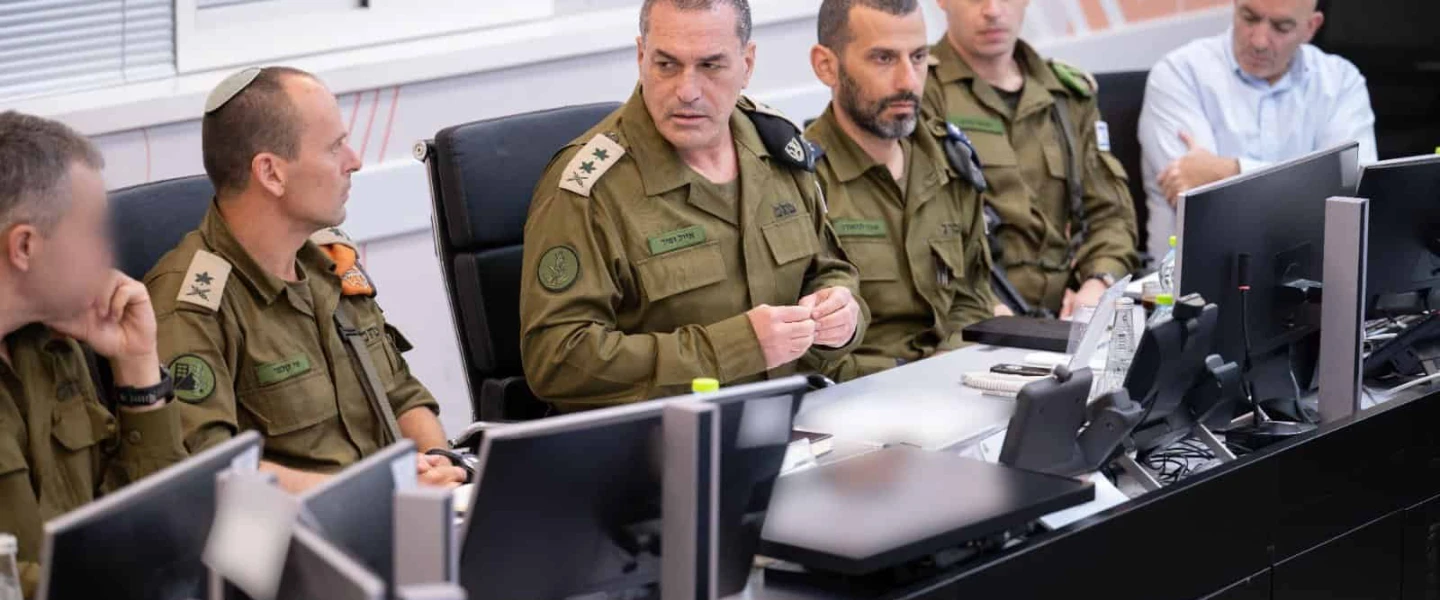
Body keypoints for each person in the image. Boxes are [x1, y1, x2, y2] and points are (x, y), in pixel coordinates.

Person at [520, 0, 868, 410]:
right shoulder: (589, 190)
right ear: (640, 56)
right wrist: (736, 347)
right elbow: (556, 359)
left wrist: (841, 314)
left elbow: (829, 270)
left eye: (710, 66)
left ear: (747, 63)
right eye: (666, 65)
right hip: (664, 447)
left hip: (802, 422)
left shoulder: (777, 147)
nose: (686, 91)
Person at [145, 67, 465, 493]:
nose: (354, 162)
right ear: (271, 173)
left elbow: (402, 394)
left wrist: (438, 464)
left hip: (394, 517)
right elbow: (212, 473)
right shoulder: (190, 305)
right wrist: (374, 495)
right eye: (335, 148)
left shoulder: (328, 260)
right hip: (296, 541)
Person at [0, 111, 189, 598]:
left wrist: (138, 366)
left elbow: (155, 519)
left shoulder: (58, 341)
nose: (109, 254)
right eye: (92, 233)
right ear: (24, 246)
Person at [803, 0, 997, 381]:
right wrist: (912, 375)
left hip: (956, 383)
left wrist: (950, 360)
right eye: (883, 59)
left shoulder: (949, 159)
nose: (908, 81)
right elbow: (804, 352)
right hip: (857, 403)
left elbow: (972, 298)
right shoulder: (801, 183)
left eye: (919, 57)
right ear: (827, 65)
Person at [924, 0, 1139, 319]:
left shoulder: (1066, 96)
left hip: (1069, 313)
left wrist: (1098, 282)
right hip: (971, 319)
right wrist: (980, 307)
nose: (993, 10)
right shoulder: (920, 95)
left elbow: (1110, 212)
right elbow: (919, 232)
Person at [1139, 0, 1377, 258]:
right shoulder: (1179, 74)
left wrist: (1232, 170)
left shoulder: (1341, 81)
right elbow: (1201, 204)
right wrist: (1310, 191)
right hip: (1190, 283)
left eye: (1281, 27)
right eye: (1249, 18)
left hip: (1310, 282)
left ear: (1311, 27)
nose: (1259, 41)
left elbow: (1352, 200)